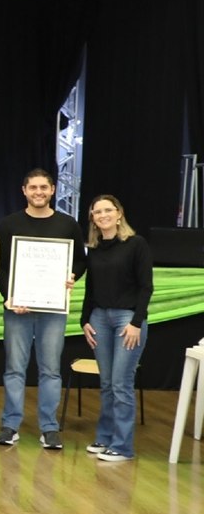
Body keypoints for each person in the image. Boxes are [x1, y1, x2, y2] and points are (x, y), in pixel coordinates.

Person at [0, 169, 86, 451]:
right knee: (14, 369)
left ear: (53, 190)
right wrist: (8, 296)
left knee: (50, 370)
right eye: (32, 187)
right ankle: (11, 424)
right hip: (17, 308)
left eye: (43, 187)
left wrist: (72, 277)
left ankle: (49, 427)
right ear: (24, 190)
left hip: (52, 309)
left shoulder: (68, 224)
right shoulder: (8, 224)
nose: (38, 192)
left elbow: (80, 263)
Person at [80, 195, 153, 462]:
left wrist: (136, 322)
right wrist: (84, 320)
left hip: (127, 320)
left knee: (122, 384)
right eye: (97, 212)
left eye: (107, 210)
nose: (102, 215)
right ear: (93, 218)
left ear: (119, 214)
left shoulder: (136, 244)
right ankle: (105, 437)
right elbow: (91, 288)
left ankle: (122, 447)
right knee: (107, 383)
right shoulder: (94, 248)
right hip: (99, 319)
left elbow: (146, 287)